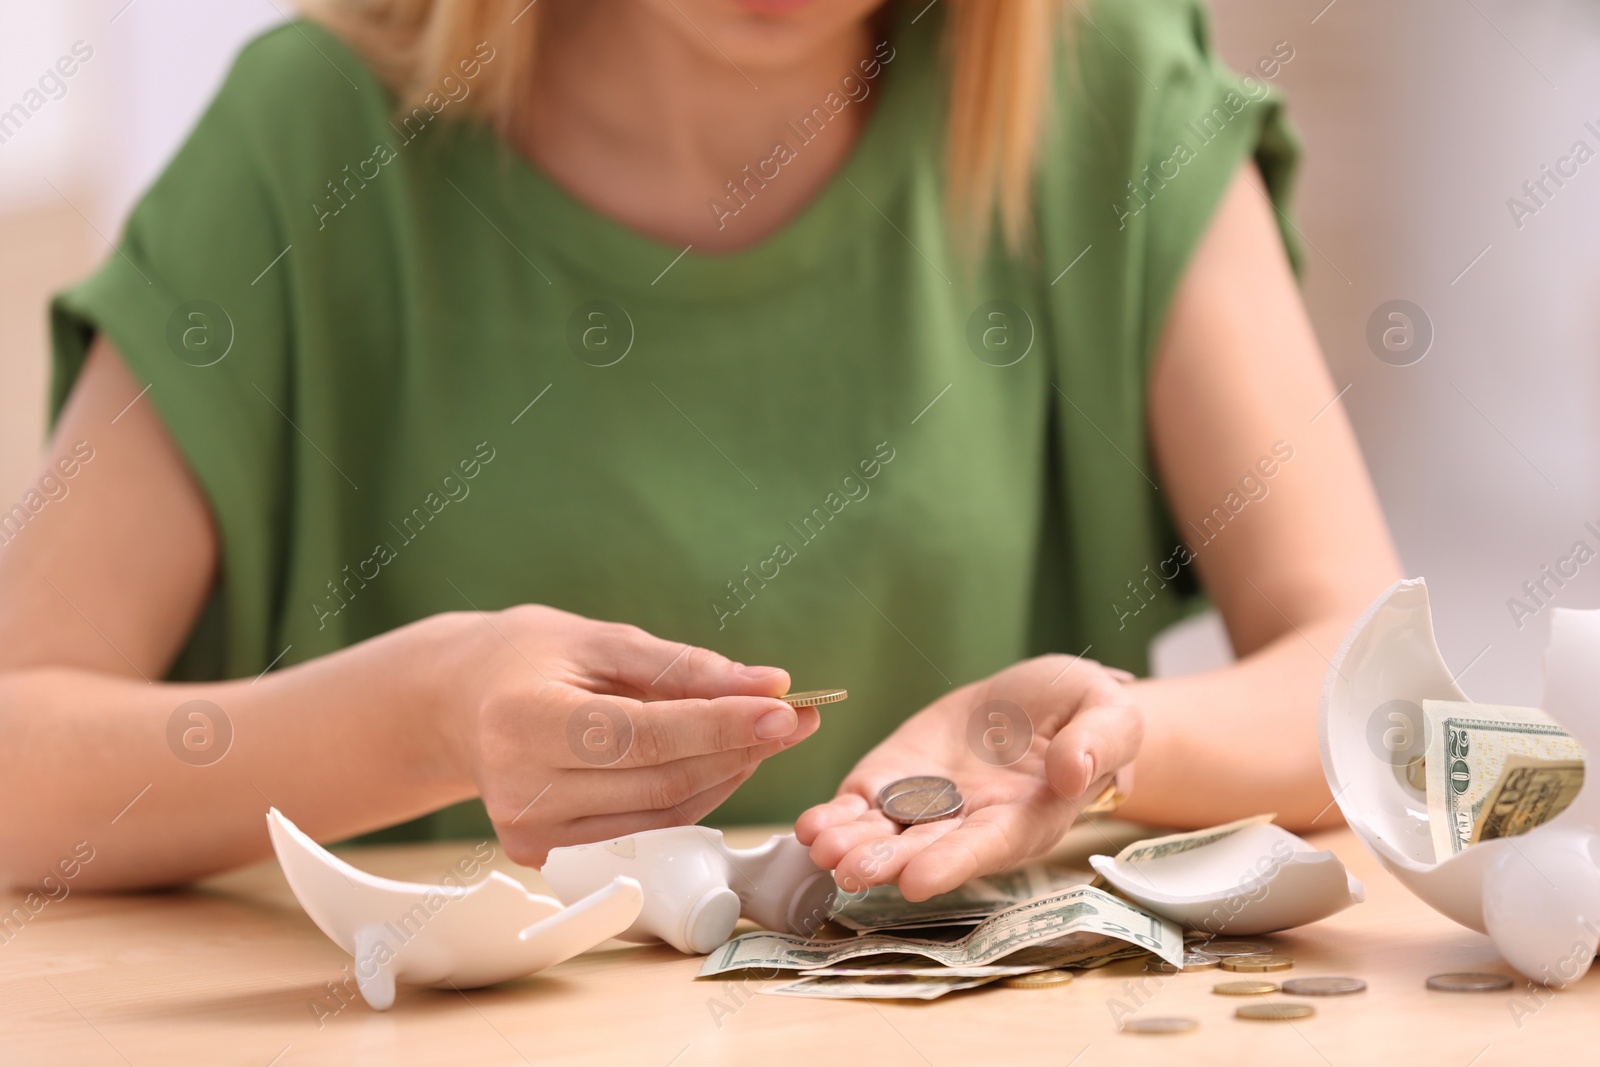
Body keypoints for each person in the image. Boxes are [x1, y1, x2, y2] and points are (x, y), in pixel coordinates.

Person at [0, 0, 1399, 901]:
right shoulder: (311, 139)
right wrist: (423, 715)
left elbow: (1365, 689)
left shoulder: (1105, 92)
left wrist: (1104, 744)